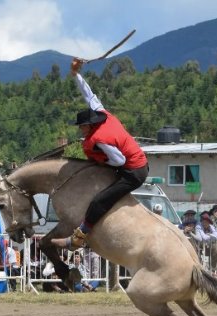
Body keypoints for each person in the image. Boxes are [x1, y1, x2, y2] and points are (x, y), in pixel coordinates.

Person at [50, 57, 148, 249]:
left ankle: (78, 238)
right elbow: (88, 94)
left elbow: (118, 160)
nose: (80, 130)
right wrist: (75, 74)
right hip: (134, 164)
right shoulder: (103, 115)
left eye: (82, 127)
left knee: (98, 201)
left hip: (132, 172)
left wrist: (103, 163)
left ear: (90, 125)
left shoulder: (100, 139)